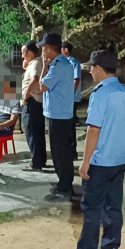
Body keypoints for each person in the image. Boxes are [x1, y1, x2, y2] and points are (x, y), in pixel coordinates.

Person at [61, 50, 125, 249]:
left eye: (92, 68)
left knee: (92, 210)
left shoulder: (101, 94)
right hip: (119, 159)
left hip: (101, 162)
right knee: (113, 207)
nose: (90, 72)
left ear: (100, 69)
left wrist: (86, 162)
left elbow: (94, 130)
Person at [37, 33, 75, 202]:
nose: (42, 51)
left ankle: (65, 187)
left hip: (59, 115)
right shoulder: (59, 64)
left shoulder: (59, 65)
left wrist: (44, 67)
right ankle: (64, 184)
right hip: (59, 113)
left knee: (60, 153)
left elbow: (43, 86)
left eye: (43, 48)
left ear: (48, 48)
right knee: (60, 151)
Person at [21, 42, 48, 172]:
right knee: (37, 132)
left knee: (32, 132)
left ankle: (36, 162)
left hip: (32, 101)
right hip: (36, 102)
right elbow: (24, 66)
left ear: (30, 53)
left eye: (23, 53)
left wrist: (25, 96)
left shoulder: (36, 64)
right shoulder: (35, 63)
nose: (22, 56)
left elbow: (35, 80)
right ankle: (40, 159)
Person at [62, 42, 82, 160]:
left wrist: (70, 95)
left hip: (71, 99)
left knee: (70, 125)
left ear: (66, 50)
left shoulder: (73, 62)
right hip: (64, 98)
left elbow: (76, 79)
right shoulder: (63, 62)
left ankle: (72, 152)